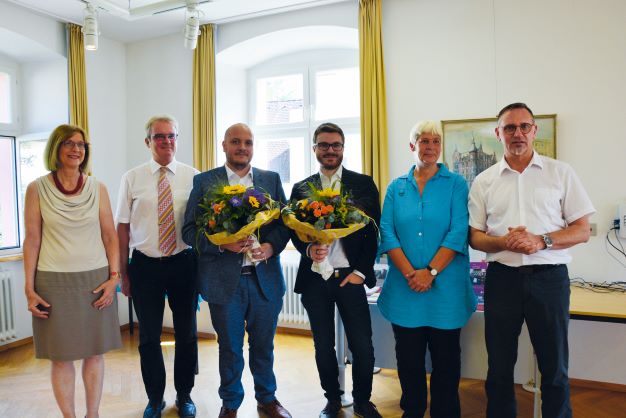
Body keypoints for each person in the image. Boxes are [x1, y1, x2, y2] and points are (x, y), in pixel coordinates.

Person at [468, 102, 595, 418]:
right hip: (502, 279)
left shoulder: (560, 172)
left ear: (534, 131)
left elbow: (582, 230)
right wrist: (505, 242)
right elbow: (475, 236)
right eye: (509, 128)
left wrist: (541, 240)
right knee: (498, 366)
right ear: (499, 134)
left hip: (549, 279)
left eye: (524, 126)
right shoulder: (484, 181)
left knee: (554, 366)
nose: (517, 133)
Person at [182, 123, 292, 418]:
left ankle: (267, 399)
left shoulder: (270, 179)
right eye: (235, 141)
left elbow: (284, 226)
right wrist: (223, 245)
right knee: (229, 349)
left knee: (263, 346)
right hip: (222, 283)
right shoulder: (205, 182)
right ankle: (230, 404)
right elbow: (189, 231)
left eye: (248, 142)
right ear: (224, 145)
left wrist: (270, 247)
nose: (242, 147)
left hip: (264, 280)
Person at [377, 120, 477, 418]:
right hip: (405, 292)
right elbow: (387, 231)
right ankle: (413, 411)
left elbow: (459, 230)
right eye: (424, 141)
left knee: (446, 361)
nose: (430, 146)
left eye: (435, 141)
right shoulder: (397, 188)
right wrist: (413, 274)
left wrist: (429, 272)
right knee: (408, 361)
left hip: (446, 291)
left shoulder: (456, 184)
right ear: (413, 146)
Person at [23, 124, 122, 418]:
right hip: (52, 282)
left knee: (95, 352)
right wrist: (29, 289)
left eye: (81, 144)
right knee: (60, 357)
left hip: (96, 280)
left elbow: (110, 236)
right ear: (56, 148)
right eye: (69, 143)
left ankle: (93, 415)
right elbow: (32, 239)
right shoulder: (36, 188)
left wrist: (113, 278)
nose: (76, 149)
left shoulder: (98, 187)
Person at [289, 122, 382, 418]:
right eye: (324, 145)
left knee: (362, 345)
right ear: (314, 148)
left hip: (351, 279)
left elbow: (373, 232)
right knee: (322, 346)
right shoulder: (301, 188)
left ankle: (363, 400)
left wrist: (362, 273)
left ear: (343, 148)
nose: (330, 150)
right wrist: (307, 249)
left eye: (336, 145)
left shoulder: (363, 184)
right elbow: (292, 230)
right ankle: (332, 399)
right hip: (316, 278)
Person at [116, 115, 199, 418]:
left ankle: (185, 395)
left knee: (187, 334)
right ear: (148, 141)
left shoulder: (194, 177)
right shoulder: (132, 178)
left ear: (178, 138)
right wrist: (122, 272)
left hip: (184, 264)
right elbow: (122, 228)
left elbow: (202, 225)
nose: (166, 142)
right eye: (160, 137)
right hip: (145, 267)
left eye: (172, 136)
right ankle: (154, 398)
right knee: (149, 336)